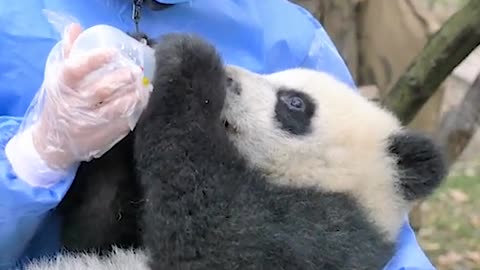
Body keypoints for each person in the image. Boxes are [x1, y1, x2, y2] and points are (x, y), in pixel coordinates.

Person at [0, 1, 435, 269]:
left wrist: (180, 98)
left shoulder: (290, 35)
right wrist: (38, 156)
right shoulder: (11, 22)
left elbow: (203, 235)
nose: (235, 79)